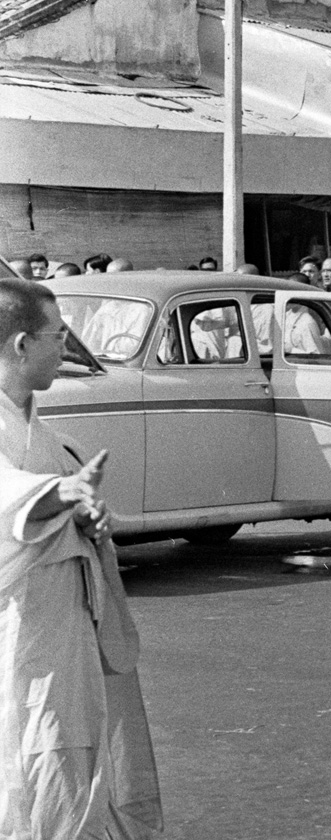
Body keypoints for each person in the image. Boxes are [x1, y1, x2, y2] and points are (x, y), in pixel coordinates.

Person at [0, 280, 162, 838]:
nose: (66, 345)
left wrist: (92, 525)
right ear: (20, 344)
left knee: (68, 764)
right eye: (57, 335)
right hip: (16, 634)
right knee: (22, 760)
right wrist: (62, 494)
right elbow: (8, 492)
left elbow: (66, 506)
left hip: (65, 631)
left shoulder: (55, 441)